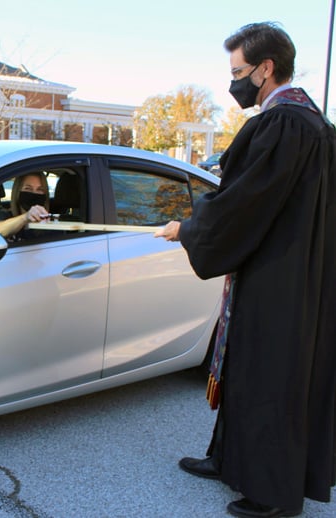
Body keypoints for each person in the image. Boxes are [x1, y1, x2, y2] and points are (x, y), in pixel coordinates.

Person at [154, 22, 336, 517]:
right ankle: (230, 458)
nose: (234, 83)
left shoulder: (283, 125)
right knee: (248, 368)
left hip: (276, 275)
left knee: (269, 375)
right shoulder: (317, 125)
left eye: (238, 72)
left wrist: (188, 229)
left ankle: (273, 494)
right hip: (301, 271)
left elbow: (243, 202)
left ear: (266, 68)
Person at [0, 172, 50, 239]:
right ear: (18, 191)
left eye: (40, 189)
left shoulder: (51, 221)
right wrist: (25, 217)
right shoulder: (6, 215)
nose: (34, 193)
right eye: (28, 188)